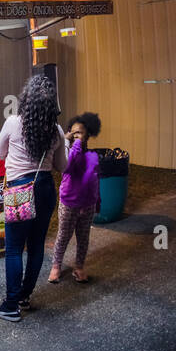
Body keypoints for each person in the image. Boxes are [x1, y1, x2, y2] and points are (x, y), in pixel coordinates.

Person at [0, 74, 68, 321]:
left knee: (13, 249)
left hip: (19, 191)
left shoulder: (13, 123)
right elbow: (62, 167)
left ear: (27, 100)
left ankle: (11, 305)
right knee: (36, 246)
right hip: (44, 189)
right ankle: (24, 296)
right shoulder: (56, 130)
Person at [50, 112, 102, 284]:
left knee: (83, 237)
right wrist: (75, 143)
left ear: (88, 134)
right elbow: (68, 165)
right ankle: (56, 265)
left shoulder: (93, 156)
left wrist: (98, 200)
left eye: (80, 132)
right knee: (63, 235)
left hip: (88, 204)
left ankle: (79, 266)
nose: (76, 135)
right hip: (69, 203)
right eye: (73, 132)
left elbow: (96, 179)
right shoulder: (70, 154)